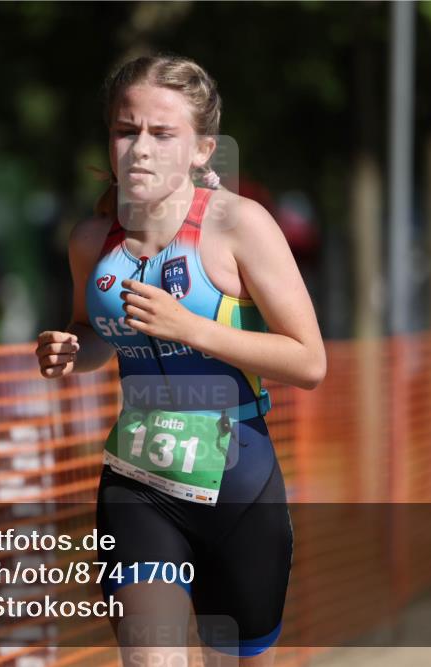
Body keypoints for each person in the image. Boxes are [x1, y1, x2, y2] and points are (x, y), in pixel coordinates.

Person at [36, 54, 326, 666]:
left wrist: (190, 328)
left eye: (162, 134)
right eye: (126, 130)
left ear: (203, 149)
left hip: (240, 483)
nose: (140, 148)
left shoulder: (239, 226)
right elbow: (92, 332)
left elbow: (308, 362)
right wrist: (70, 348)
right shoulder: (93, 241)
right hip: (137, 482)